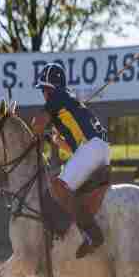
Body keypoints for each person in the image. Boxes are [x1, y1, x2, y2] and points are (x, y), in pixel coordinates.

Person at [31, 62, 110, 259]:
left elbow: (36, 125)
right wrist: (59, 142)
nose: (43, 94)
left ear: (51, 88)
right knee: (69, 185)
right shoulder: (69, 100)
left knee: (58, 186)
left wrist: (37, 130)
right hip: (100, 149)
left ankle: (93, 235)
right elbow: (76, 148)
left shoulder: (57, 97)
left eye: (44, 89)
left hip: (91, 148)